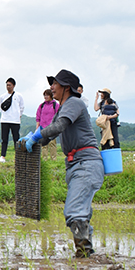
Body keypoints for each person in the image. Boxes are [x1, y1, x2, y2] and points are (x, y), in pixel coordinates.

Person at [24, 69, 104, 258]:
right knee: (80, 211)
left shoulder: (74, 103)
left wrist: (37, 135)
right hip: (76, 165)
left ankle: (85, 255)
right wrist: (33, 139)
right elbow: (52, 132)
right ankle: (86, 253)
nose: (51, 87)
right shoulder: (63, 107)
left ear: (66, 87)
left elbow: (58, 127)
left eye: (55, 83)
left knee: (74, 211)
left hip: (86, 163)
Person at [0, 77, 24, 162]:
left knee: (16, 138)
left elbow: (22, 107)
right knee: (4, 139)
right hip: (5, 120)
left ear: (14, 86)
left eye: (10, 85)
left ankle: (18, 156)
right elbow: (1, 107)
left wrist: (18, 115)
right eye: (7, 85)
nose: (8, 86)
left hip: (15, 121)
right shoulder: (2, 96)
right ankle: (2, 156)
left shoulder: (19, 96)